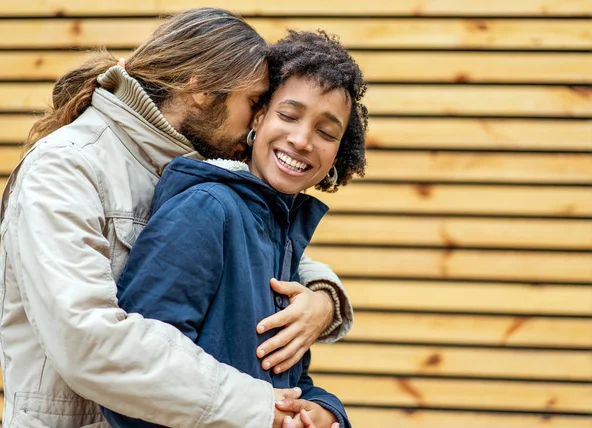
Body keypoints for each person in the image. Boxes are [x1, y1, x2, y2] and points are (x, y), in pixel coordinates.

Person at [0, 9, 354, 428]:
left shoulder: (188, 165)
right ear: (203, 90)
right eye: (255, 103)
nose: (256, 122)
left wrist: (322, 299)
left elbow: (256, 255)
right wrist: (262, 410)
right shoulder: (67, 166)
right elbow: (88, 343)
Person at [100, 29, 368, 428]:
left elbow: (284, 376)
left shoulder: (280, 231)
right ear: (257, 118)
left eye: (326, 132)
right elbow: (139, 380)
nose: (302, 139)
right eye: (288, 115)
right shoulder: (206, 209)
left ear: (337, 153)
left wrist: (324, 412)